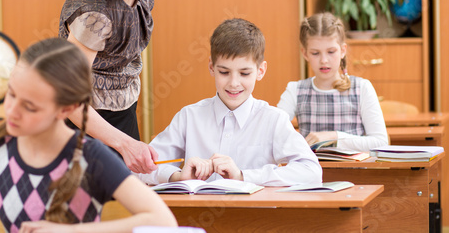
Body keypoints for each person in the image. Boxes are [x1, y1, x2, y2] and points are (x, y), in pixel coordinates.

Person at [0, 38, 177, 232]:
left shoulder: (90, 156)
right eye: (11, 94)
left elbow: (164, 221)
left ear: (67, 109)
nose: (12, 111)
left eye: (30, 106)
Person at [58, 0, 190, 174]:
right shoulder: (94, 14)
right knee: (95, 206)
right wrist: (124, 144)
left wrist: (127, 142)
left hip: (122, 107)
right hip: (86, 120)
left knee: (129, 193)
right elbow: (67, 97)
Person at [138, 18, 322, 186]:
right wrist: (178, 176)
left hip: (254, 218)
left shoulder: (273, 120)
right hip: (196, 216)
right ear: (212, 67)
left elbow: (311, 172)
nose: (234, 83)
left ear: (261, 70)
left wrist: (243, 176)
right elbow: (140, 168)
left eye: (244, 73)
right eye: (224, 72)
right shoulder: (189, 117)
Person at [277, 12, 389, 152]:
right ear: (305, 54)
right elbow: (274, 131)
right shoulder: (295, 90)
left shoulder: (362, 88)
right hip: (311, 173)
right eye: (315, 53)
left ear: (342, 51)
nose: (324, 60)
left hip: (354, 173)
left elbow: (381, 142)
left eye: (331, 52)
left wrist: (335, 137)